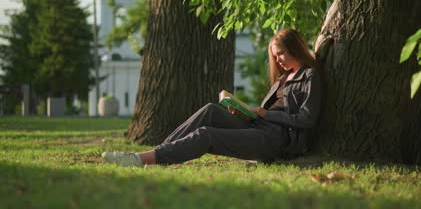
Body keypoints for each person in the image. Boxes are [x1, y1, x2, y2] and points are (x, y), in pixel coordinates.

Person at [102, 29, 322, 167]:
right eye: (275, 56)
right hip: (260, 127)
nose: (278, 60)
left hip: (276, 141)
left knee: (206, 135)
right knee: (210, 109)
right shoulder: (282, 78)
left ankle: (141, 159)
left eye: (281, 53)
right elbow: (269, 114)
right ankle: (160, 153)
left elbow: (306, 119)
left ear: (295, 48)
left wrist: (265, 113)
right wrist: (246, 114)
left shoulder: (309, 76)